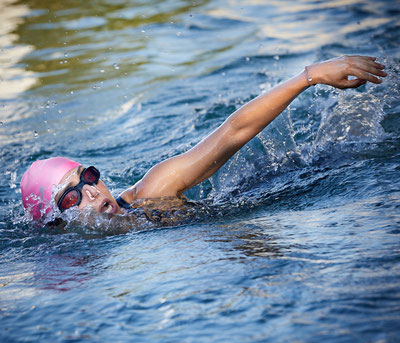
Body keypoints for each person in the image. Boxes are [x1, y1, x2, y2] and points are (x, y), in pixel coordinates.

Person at [21, 55, 386, 222]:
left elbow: (232, 132)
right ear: (55, 221)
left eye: (88, 176)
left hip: (289, 178)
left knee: (347, 149)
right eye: (70, 197)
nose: (91, 191)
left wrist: (310, 76)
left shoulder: (153, 190)